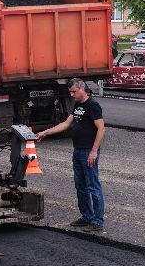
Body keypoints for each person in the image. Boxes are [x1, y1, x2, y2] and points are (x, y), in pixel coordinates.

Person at [35, 78, 105, 233]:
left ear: (82, 88)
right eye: (70, 92)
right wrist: (45, 132)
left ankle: (97, 221)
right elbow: (66, 124)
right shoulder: (78, 105)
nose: (72, 95)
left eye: (74, 91)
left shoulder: (93, 105)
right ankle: (86, 216)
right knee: (80, 185)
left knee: (93, 186)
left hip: (88, 151)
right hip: (78, 150)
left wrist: (94, 151)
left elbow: (101, 129)